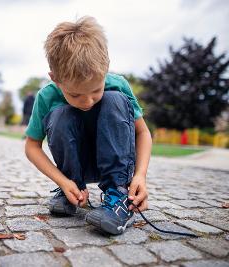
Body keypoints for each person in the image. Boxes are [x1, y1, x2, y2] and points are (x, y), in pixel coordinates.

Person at [24, 16, 152, 235]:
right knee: (60, 114)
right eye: (74, 94)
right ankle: (71, 190)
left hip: (115, 162)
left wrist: (140, 175)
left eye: (95, 90)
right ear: (55, 78)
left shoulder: (118, 85)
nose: (87, 101)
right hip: (76, 167)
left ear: (106, 68)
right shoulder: (47, 96)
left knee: (114, 100)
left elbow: (143, 133)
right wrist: (63, 181)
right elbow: (31, 146)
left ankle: (119, 195)